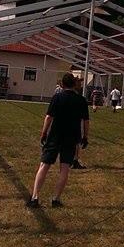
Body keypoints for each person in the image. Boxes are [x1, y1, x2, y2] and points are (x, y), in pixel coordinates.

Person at [28, 72, 89, 208]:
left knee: (44, 165)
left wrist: (44, 133)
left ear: (62, 84)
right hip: (71, 137)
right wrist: (85, 136)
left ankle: (35, 197)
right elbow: (86, 121)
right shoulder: (81, 100)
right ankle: (56, 199)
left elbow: (49, 117)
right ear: (74, 84)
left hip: (55, 135)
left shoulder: (57, 97)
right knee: (65, 168)